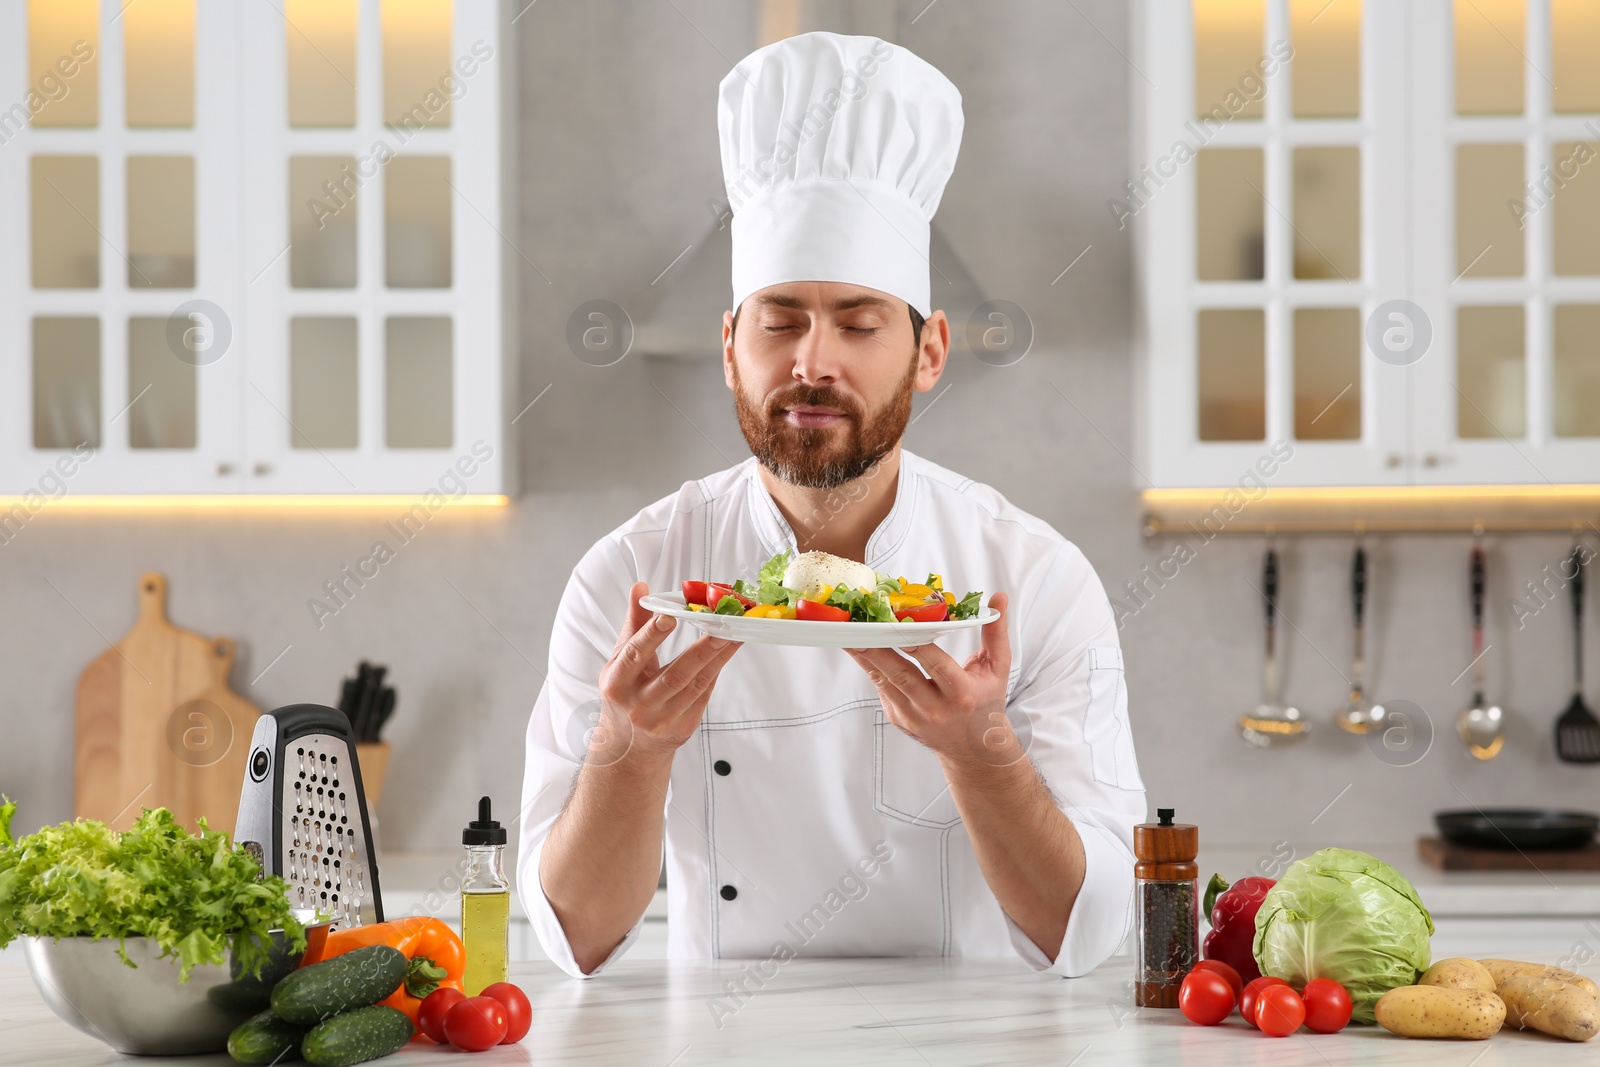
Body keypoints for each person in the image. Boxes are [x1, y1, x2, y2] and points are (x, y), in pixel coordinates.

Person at [519, 31, 1144, 981]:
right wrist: (632, 750)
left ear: (929, 350)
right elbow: (573, 940)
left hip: (972, 1049)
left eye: (858, 321)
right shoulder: (631, 579)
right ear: (729, 345)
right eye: (779, 321)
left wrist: (982, 754)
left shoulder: (1034, 578)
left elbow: (1093, 929)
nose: (814, 360)